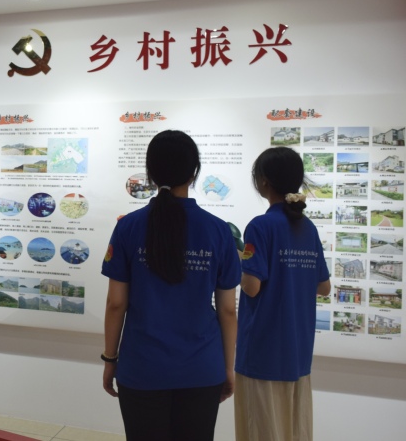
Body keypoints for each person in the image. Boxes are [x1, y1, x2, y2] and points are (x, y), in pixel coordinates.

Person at [101, 130, 241, 441]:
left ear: (150, 174)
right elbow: (228, 310)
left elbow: (116, 303)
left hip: (142, 368)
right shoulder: (219, 231)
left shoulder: (128, 227)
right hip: (202, 368)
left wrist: (110, 360)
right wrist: (227, 368)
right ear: (194, 173)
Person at [234, 147, 331, 441]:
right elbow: (324, 287)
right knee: (295, 431)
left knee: (261, 431)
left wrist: (238, 259)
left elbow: (251, 286)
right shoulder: (308, 227)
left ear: (263, 181)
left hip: (263, 351)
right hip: (298, 352)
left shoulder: (260, 226)